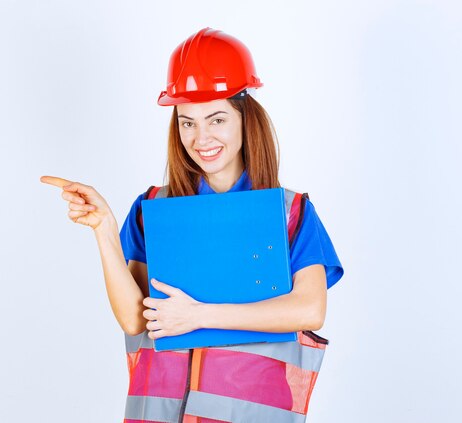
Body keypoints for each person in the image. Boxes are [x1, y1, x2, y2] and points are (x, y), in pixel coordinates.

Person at [42, 27, 343, 423]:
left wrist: (199, 316)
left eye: (216, 119)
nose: (201, 138)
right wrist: (104, 229)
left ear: (244, 117)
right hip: (161, 412)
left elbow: (309, 308)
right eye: (187, 122)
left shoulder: (290, 212)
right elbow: (135, 319)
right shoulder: (153, 208)